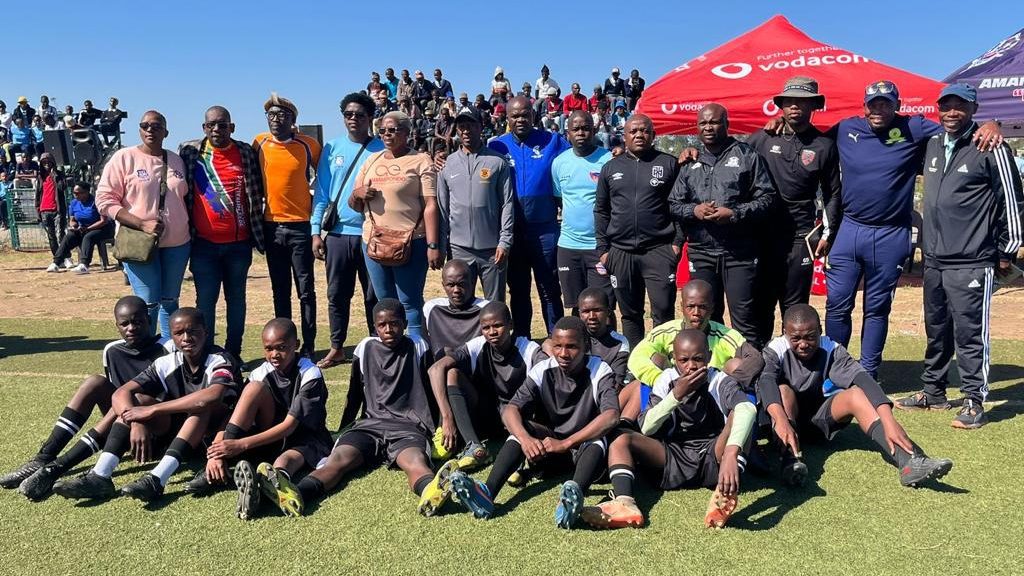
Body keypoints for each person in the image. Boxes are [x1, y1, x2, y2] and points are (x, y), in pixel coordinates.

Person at [810, 80, 1001, 378]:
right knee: (837, 304)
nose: (879, 109)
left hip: (891, 233)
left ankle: (868, 373)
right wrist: (779, 123)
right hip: (850, 230)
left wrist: (992, 122)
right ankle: (834, 369)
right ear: (864, 106)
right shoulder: (846, 129)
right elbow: (811, 141)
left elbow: (960, 128)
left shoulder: (915, 127)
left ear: (897, 106)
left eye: (886, 103)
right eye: (873, 103)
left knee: (877, 308)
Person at [895, 83, 1023, 429]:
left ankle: (973, 399)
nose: (952, 113)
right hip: (934, 257)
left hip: (973, 258)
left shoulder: (990, 145)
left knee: (970, 332)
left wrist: (1007, 251)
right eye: (946, 106)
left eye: (960, 107)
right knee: (937, 329)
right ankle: (933, 391)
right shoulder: (934, 144)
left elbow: (1012, 200)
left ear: (973, 108)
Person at [53, 308, 241, 502]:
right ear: (172, 337)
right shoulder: (166, 362)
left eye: (193, 331)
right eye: (179, 333)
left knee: (199, 408)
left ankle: (157, 479)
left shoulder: (220, 359)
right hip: (178, 437)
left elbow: (211, 396)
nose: (186, 338)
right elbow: (121, 392)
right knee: (136, 403)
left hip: (217, 438)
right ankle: (100, 475)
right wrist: (136, 422)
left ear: (206, 332)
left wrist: (153, 409)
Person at [448, 317, 620, 529]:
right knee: (522, 428)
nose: (563, 354)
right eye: (557, 346)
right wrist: (525, 439)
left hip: (589, 455)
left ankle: (572, 497)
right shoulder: (543, 370)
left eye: (572, 347)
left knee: (599, 437)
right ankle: (488, 493)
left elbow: (611, 415)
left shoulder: (600, 370)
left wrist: (566, 443)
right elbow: (510, 410)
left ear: (586, 345)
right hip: (552, 454)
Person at [758, 304, 954, 488]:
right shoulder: (775, 349)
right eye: (796, 338)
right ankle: (791, 461)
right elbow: (766, 382)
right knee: (783, 389)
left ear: (820, 329)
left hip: (816, 422)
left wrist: (888, 420)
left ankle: (910, 460)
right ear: (785, 333)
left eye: (810, 337)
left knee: (856, 394)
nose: (803, 344)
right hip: (782, 423)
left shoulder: (832, 349)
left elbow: (863, 379)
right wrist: (781, 420)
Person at [290, 299, 452, 517]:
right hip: (369, 427)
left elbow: (433, 388)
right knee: (337, 461)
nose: (388, 329)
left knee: (415, 462)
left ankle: (430, 492)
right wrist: (344, 427)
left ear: (404, 323)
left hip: (409, 426)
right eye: (382, 325)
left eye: (394, 323)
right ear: (375, 326)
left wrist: (441, 424)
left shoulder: (418, 345)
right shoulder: (365, 347)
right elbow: (354, 393)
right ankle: (296, 494)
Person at [0, 296, 173, 500]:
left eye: (138, 322)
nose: (131, 328)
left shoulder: (167, 348)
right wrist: (132, 419)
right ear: (116, 325)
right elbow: (117, 398)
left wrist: (138, 418)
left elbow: (172, 400)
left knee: (137, 398)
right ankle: (44, 457)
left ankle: (60, 467)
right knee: (95, 383)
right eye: (124, 323)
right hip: (125, 423)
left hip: (159, 427)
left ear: (149, 321)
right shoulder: (112, 350)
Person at [583, 329, 756, 529]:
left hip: (714, 458)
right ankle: (625, 502)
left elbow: (747, 408)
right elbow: (647, 427)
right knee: (622, 438)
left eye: (698, 359)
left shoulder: (718, 380)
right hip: (671, 458)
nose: (691, 366)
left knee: (741, 416)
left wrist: (730, 455)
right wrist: (675, 396)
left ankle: (723, 494)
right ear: (674, 359)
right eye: (684, 360)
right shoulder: (666, 380)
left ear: (709, 356)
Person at [199, 318, 333, 519]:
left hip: (306, 436)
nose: (274, 355)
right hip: (269, 435)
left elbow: (289, 426)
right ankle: (228, 466)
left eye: (281, 348)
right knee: (253, 388)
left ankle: (270, 484)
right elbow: (234, 413)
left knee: (286, 460)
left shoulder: (309, 372)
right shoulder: (260, 372)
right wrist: (217, 451)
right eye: (268, 349)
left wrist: (241, 444)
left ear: (295, 345)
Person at [669, 103, 775, 347]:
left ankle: (751, 375)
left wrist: (734, 213)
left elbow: (768, 199)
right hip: (702, 252)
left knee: (745, 318)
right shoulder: (691, 162)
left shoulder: (747, 156)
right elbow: (673, 204)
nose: (708, 127)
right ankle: (709, 374)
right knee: (704, 317)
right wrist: (694, 210)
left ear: (726, 124)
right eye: (703, 123)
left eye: (714, 122)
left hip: (740, 253)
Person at [747, 77, 841, 345]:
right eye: (789, 101)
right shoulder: (762, 139)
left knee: (795, 309)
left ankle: (795, 371)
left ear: (813, 106)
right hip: (762, 238)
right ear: (781, 106)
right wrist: (692, 151)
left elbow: (833, 193)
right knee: (761, 306)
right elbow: (729, 158)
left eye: (802, 101)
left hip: (801, 239)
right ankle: (761, 368)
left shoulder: (824, 145)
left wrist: (828, 232)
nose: (795, 107)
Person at [180, 106, 266, 360]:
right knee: (205, 303)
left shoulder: (245, 153)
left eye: (223, 124)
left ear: (232, 127)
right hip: (203, 245)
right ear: (204, 128)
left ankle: (233, 353)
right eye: (212, 125)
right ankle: (205, 353)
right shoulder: (190, 152)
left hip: (238, 246)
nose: (217, 129)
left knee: (236, 301)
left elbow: (258, 190)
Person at [97, 110, 191, 338]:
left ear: (166, 132)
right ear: (139, 130)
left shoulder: (176, 159)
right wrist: (141, 223)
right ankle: (145, 357)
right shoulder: (124, 158)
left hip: (177, 244)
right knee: (148, 304)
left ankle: (171, 355)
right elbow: (104, 201)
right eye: (145, 125)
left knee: (170, 302)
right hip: (138, 243)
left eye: (157, 126)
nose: (151, 130)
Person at [349, 111, 443, 337]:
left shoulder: (420, 160)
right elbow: (353, 203)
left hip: (411, 242)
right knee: (385, 302)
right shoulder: (372, 160)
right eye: (382, 130)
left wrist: (433, 245)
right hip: (374, 242)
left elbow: (431, 204)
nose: (387, 135)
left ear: (407, 132)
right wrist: (359, 193)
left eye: (393, 130)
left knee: (409, 302)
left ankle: (417, 352)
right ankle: (389, 353)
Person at [427, 301, 545, 471]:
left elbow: (547, 374)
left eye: (497, 326)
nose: (492, 332)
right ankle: (474, 446)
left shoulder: (528, 349)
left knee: (511, 408)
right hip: (486, 417)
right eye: (486, 328)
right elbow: (435, 369)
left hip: (517, 418)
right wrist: (446, 418)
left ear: (510, 324)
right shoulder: (477, 345)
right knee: (452, 373)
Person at [311, 93, 383, 369]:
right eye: (348, 114)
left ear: (369, 118)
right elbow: (322, 194)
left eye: (360, 115)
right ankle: (337, 347)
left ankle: (376, 345)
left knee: (373, 294)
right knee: (337, 293)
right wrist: (316, 231)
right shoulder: (331, 148)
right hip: (339, 235)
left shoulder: (381, 149)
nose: (354, 119)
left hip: (371, 233)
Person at [595, 114, 679, 347]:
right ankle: (635, 363)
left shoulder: (668, 164)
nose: (639, 135)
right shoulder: (611, 168)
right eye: (633, 131)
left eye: (644, 131)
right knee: (630, 314)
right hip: (620, 252)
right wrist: (603, 249)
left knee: (663, 310)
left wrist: (676, 244)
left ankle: (664, 360)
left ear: (653, 135)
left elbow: (679, 207)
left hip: (659, 250)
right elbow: (601, 210)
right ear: (625, 136)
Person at [488, 96, 570, 338]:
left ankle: (556, 338)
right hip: (513, 231)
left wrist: (614, 149)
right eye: (515, 116)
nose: (521, 119)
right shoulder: (497, 146)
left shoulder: (553, 141)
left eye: (525, 114)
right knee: (519, 289)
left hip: (544, 229)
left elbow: (580, 153)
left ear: (533, 116)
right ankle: (523, 339)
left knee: (549, 288)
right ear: (507, 118)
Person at [625, 279, 763, 421]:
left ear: (712, 308)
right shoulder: (666, 331)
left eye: (702, 307)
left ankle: (739, 423)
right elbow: (637, 357)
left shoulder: (726, 335)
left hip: (712, 395)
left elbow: (754, 358)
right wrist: (663, 380)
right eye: (690, 306)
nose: (696, 313)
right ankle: (642, 421)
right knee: (656, 359)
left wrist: (730, 382)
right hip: (675, 393)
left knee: (735, 364)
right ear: (681, 307)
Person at [253, 94, 322, 357]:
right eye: (271, 115)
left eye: (282, 115)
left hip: (300, 228)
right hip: (272, 227)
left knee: (306, 291)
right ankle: (284, 343)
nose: (276, 120)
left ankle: (310, 343)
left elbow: (325, 179)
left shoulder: (309, 145)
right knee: (279, 289)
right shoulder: (259, 143)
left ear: (293, 120)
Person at [437, 107, 513, 301]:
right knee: (460, 304)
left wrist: (504, 241)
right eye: (461, 126)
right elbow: (443, 209)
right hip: (459, 248)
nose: (466, 130)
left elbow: (507, 204)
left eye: (471, 125)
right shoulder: (447, 164)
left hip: (492, 249)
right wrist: (441, 245)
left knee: (495, 305)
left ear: (481, 127)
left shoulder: (497, 162)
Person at [553, 111, 614, 314]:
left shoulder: (608, 160)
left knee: (602, 307)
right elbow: (560, 198)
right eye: (576, 129)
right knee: (577, 307)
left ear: (594, 130)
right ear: (567, 132)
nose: (581, 133)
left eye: (586, 128)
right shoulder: (559, 163)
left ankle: (610, 347)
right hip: (568, 247)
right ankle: (579, 346)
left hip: (600, 247)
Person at [423, 259, 489, 362]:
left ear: (472, 282)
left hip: (474, 371)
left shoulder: (486, 310)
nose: (456, 290)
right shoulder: (432, 309)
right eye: (451, 285)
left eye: (461, 284)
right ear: (443, 285)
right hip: (439, 369)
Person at [50, 182, 114, 274]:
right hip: (83, 228)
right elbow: (72, 220)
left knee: (88, 236)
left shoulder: (96, 201)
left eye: (78, 193)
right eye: (74, 193)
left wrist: (88, 228)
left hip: (103, 228)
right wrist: (74, 226)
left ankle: (84, 265)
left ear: (86, 192)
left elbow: (103, 221)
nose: (75, 195)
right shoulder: (74, 203)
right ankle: (56, 263)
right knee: (70, 236)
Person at [36, 153, 68, 269]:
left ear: (52, 162)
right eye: (44, 162)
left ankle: (66, 257)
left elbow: (62, 187)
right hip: (44, 209)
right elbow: (38, 194)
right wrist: (37, 210)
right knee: (51, 237)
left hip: (57, 209)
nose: (46, 164)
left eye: (48, 162)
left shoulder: (59, 175)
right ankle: (57, 259)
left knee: (60, 234)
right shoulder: (40, 177)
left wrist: (55, 174)